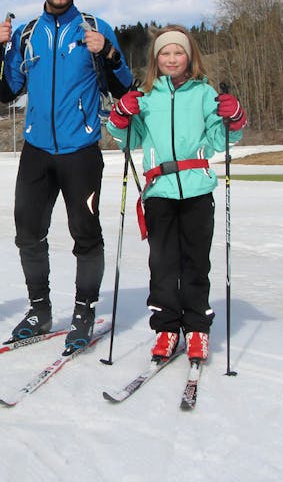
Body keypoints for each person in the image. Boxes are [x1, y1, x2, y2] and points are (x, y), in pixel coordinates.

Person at [0, 0, 133, 353]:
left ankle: (84, 310)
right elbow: (6, 90)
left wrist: (108, 53)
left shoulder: (95, 28)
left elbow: (124, 88)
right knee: (27, 232)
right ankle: (40, 310)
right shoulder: (28, 32)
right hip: (36, 150)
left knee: (85, 234)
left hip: (80, 149)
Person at [105, 24, 246, 363]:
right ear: (156, 59)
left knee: (196, 262)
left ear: (189, 56)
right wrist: (121, 116)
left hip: (197, 188)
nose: (171, 58)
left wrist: (234, 119)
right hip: (159, 192)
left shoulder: (203, 93)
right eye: (165, 53)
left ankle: (197, 329)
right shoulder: (147, 95)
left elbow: (219, 139)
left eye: (178, 52)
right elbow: (128, 139)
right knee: (164, 264)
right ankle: (167, 328)